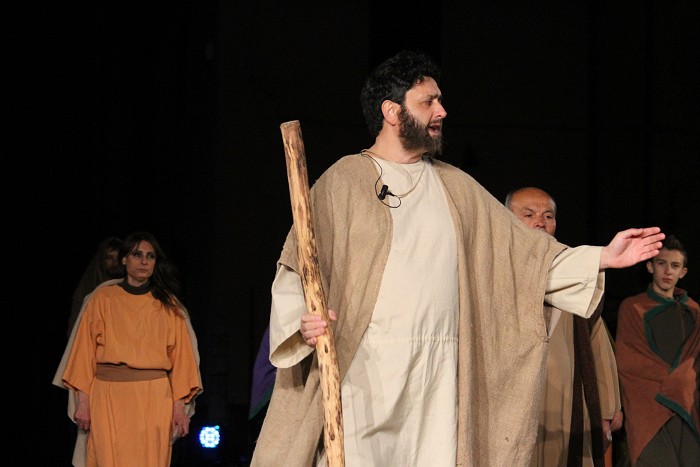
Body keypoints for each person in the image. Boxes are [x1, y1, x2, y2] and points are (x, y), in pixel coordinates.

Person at [250, 50, 664, 467]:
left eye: (440, 100)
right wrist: (304, 320)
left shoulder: (457, 189)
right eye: (428, 101)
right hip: (364, 371)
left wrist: (603, 257)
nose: (442, 111)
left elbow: (525, 261)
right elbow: (298, 267)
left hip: (439, 375)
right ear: (392, 112)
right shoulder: (344, 182)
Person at [53, 231, 203, 467]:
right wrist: (83, 403)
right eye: (137, 255)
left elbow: (183, 361)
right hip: (108, 396)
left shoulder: (169, 305)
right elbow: (83, 354)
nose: (144, 261)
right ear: (124, 260)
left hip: (154, 398)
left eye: (150, 256)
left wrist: (179, 410)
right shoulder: (102, 299)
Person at [505, 187, 624, 467]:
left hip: (564, 399)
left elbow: (597, 343)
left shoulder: (576, 275)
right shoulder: (491, 270)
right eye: (529, 215)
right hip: (510, 399)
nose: (540, 222)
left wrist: (608, 406)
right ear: (505, 218)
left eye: (548, 216)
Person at [615, 234, 699, 466]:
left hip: (688, 408)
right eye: (661, 263)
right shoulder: (633, 307)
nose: (667, 271)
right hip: (649, 405)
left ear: (683, 272)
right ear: (650, 266)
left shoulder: (694, 311)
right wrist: (678, 382)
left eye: (675, 266)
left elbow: (696, 360)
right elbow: (629, 361)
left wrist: (686, 385)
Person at [67, 236, 125, 337]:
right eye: (109, 258)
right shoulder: (88, 287)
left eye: (118, 258)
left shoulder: (130, 286)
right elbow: (75, 327)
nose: (115, 262)